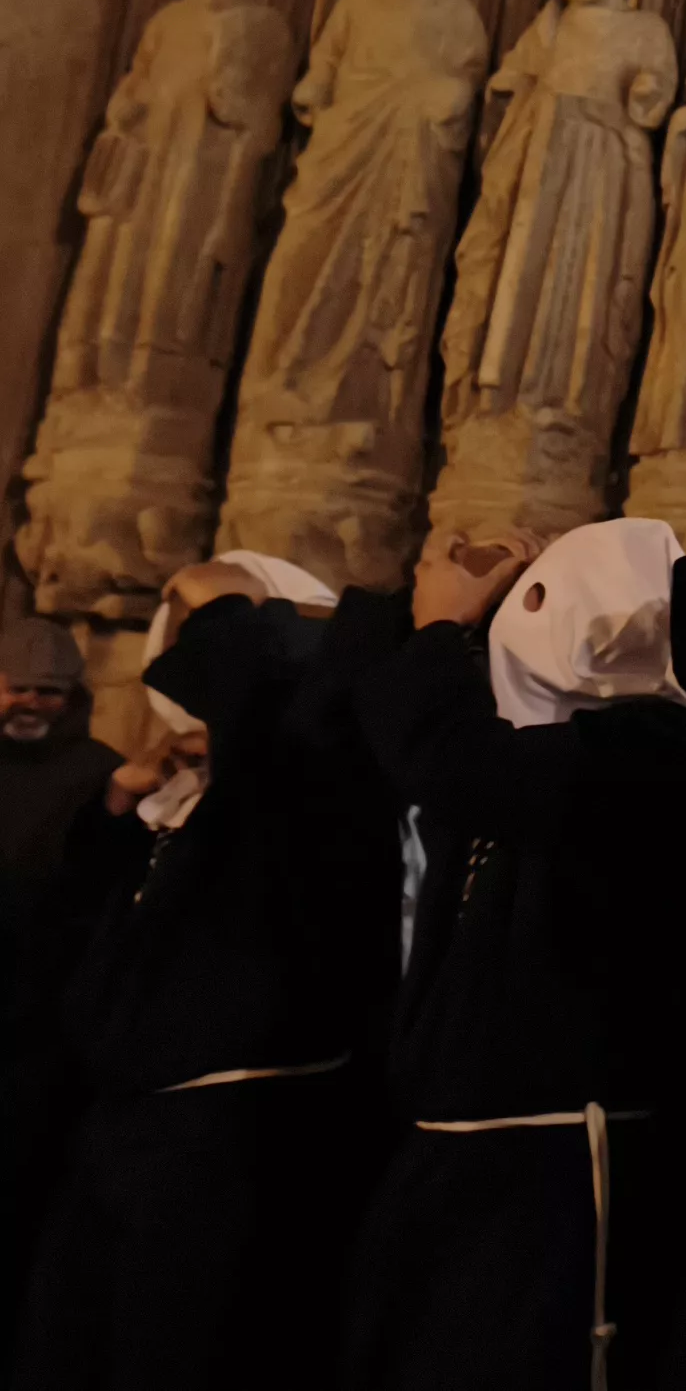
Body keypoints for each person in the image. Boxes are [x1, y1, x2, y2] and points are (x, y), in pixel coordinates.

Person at [343, 519, 686, 1391]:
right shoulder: (540, 748)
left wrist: (439, 626)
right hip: (463, 1153)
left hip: (557, 1165)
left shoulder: (661, 747)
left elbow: (451, 761)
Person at [11, 557, 401, 1391]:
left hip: (225, 1142)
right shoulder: (177, 793)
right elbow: (74, 936)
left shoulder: (314, 780)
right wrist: (122, 810)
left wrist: (230, 618)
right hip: (119, 1131)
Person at [0, 618, 121, 1356]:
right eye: (19, 687)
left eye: (51, 691)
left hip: (36, 1037)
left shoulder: (96, 774)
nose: (35, 704)